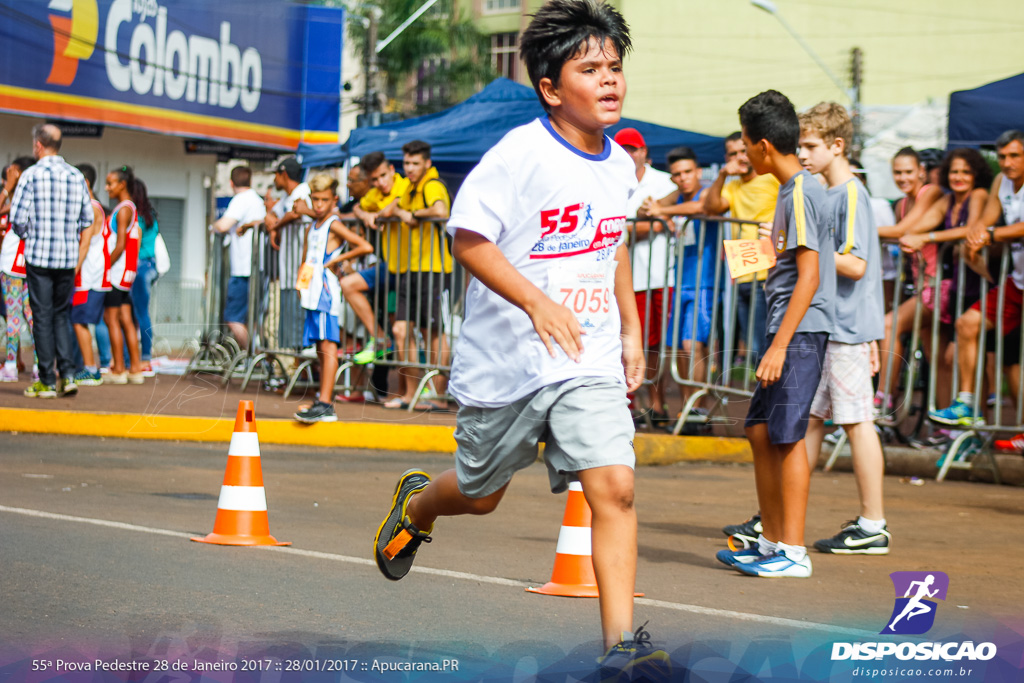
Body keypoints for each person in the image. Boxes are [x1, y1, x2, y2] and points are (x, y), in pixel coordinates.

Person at [372, 1, 668, 674]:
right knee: (481, 494)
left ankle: (622, 648)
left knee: (616, 488)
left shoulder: (621, 166)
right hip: (508, 360)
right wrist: (535, 302)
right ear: (550, 87)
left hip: (585, 355)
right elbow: (469, 239)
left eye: (615, 66)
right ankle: (416, 505)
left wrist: (629, 328)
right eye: (589, 68)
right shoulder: (520, 154)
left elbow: (611, 243)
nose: (610, 80)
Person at [715, 90, 834, 578]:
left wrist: (781, 345)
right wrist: (751, 255)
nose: (742, 153)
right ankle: (770, 541)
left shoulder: (804, 191)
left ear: (764, 145)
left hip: (798, 333)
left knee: (786, 438)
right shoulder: (791, 193)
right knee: (760, 431)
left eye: (745, 144)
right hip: (783, 326)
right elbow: (786, 261)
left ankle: (793, 551)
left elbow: (811, 274)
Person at [796, 102, 890, 555]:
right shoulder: (831, 192)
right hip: (833, 324)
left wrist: (804, 250)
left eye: (811, 146)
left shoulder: (851, 194)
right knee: (812, 422)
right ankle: (780, 513)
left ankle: (873, 523)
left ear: (836, 146)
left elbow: (854, 264)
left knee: (856, 423)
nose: (803, 154)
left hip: (846, 326)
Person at [930, 130, 1024, 427]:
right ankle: (967, 404)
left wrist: (991, 234)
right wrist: (976, 235)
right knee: (967, 325)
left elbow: (997, 229)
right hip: (1016, 281)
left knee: (1011, 362)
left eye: (1014, 156)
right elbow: (985, 222)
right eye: (1002, 157)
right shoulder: (1001, 182)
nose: (1007, 163)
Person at [8, 124, 93, 397]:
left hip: (39, 257)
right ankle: (67, 375)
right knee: (61, 315)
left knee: (42, 316)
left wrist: (30, 234)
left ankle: (46, 379)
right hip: (67, 259)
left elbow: (17, 220)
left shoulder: (31, 176)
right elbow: (87, 219)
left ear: (38, 145)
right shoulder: (76, 175)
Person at [640, 146, 717, 427]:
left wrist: (664, 210)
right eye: (677, 174)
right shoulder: (677, 195)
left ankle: (699, 409)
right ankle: (688, 408)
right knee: (676, 349)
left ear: (698, 170)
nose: (683, 178)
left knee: (692, 344)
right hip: (679, 280)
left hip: (705, 282)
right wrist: (661, 206)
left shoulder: (707, 190)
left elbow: (702, 206)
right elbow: (646, 208)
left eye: (688, 172)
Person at [293, 174, 372, 423]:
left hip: (326, 292)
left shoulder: (333, 224)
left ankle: (326, 402)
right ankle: (322, 398)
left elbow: (364, 246)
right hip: (312, 293)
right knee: (320, 346)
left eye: (323, 200)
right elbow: (306, 259)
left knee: (328, 346)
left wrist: (336, 261)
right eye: (315, 199)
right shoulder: (313, 226)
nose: (318, 205)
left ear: (333, 200)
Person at [874, 148, 944, 412]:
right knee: (935, 355)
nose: (902, 177)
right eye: (897, 172)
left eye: (908, 172)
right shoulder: (903, 203)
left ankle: (884, 399)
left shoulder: (931, 192)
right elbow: (899, 237)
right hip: (919, 284)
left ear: (921, 172)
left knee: (889, 325)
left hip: (938, 285)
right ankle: (939, 422)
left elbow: (903, 231)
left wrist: (856, 229)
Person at [615, 127, 676, 424]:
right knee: (625, 341)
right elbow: (624, 230)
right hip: (624, 280)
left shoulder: (664, 182)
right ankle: (629, 403)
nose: (628, 153)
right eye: (623, 148)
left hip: (659, 277)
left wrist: (630, 229)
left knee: (655, 345)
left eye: (633, 148)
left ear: (643, 152)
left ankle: (656, 403)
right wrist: (646, 223)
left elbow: (670, 221)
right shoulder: (611, 178)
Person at [703, 131, 779, 365]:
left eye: (743, 151)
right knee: (755, 347)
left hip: (768, 274)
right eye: (732, 154)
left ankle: (771, 399)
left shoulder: (772, 178)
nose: (739, 158)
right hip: (743, 274)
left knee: (763, 346)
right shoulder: (733, 185)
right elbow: (712, 207)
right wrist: (723, 174)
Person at [387, 139, 453, 410]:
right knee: (401, 330)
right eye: (407, 163)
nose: (410, 168)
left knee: (433, 330)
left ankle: (437, 395)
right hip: (411, 269)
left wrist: (410, 213)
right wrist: (401, 211)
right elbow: (391, 210)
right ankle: (410, 395)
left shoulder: (432, 184)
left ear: (427, 163)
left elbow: (441, 211)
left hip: (434, 269)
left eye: (415, 163)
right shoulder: (410, 188)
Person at [343, 152, 410, 366]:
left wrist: (380, 214)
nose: (380, 183)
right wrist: (366, 215)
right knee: (348, 284)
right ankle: (380, 338)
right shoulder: (374, 193)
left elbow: (395, 205)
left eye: (383, 176)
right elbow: (357, 207)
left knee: (405, 329)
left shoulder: (406, 186)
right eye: (374, 179)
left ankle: (423, 389)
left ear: (392, 170)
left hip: (414, 268)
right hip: (390, 267)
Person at [213, 166, 267, 352]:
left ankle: (254, 355)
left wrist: (214, 226)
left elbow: (223, 225)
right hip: (255, 267)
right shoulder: (257, 201)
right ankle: (256, 355)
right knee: (251, 317)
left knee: (234, 318)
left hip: (244, 269)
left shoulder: (241, 199)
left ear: (231, 182)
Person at [264, 157, 312, 351]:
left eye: (276, 174)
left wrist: (276, 225)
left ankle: (302, 372)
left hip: (304, 268)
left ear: (284, 174)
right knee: (289, 325)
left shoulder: (304, 192)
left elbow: (295, 214)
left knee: (300, 325)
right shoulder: (286, 196)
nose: (274, 179)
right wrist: (273, 223)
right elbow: (271, 214)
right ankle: (292, 370)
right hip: (289, 272)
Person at [102, 165, 144, 384]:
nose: (107, 187)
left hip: (116, 274)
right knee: (126, 319)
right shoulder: (130, 208)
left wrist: (104, 267)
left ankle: (119, 368)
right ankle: (135, 367)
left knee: (112, 319)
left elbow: (119, 246)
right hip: (125, 274)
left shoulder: (123, 209)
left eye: (110, 183)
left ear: (122, 184)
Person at [70, 163, 109, 386]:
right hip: (88, 276)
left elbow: (84, 245)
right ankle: (86, 366)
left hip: (88, 277)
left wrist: (73, 271)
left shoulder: (91, 208)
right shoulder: (90, 207)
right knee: (80, 321)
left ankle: (91, 369)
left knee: (79, 321)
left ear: (85, 183)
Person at [0, 158, 38, 383]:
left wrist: (7, 188)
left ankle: (12, 365)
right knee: (33, 317)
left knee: (15, 317)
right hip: (28, 263)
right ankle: (38, 368)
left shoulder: (22, 199)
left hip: (15, 266)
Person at [130, 179, 159, 375]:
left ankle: (144, 358)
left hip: (138, 266)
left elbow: (135, 243)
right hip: (150, 265)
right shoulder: (151, 216)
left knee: (138, 314)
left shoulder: (137, 217)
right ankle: (142, 357)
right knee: (140, 313)